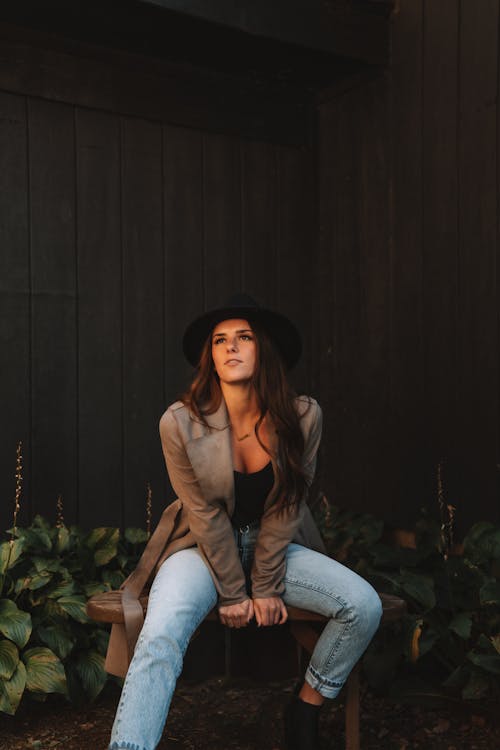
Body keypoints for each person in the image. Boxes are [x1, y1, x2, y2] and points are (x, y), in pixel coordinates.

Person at [109, 293, 382, 750]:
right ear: (210, 357)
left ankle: (305, 706)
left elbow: (287, 505)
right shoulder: (178, 423)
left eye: (243, 337)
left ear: (264, 349)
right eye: (220, 341)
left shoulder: (303, 416)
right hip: (197, 549)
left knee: (363, 606)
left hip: (274, 545)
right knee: (161, 630)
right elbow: (202, 512)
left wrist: (267, 583)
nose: (230, 347)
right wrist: (235, 592)